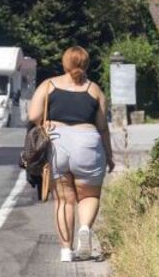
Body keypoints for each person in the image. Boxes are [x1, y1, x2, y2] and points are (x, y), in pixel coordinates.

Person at [28, 46, 115, 262]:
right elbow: (103, 126)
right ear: (86, 64)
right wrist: (109, 155)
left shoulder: (49, 85)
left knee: (63, 200)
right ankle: (84, 228)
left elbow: (33, 116)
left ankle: (66, 251)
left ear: (64, 63)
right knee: (89, 195)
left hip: (57, 142)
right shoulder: (94, 90)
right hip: (87, 144)